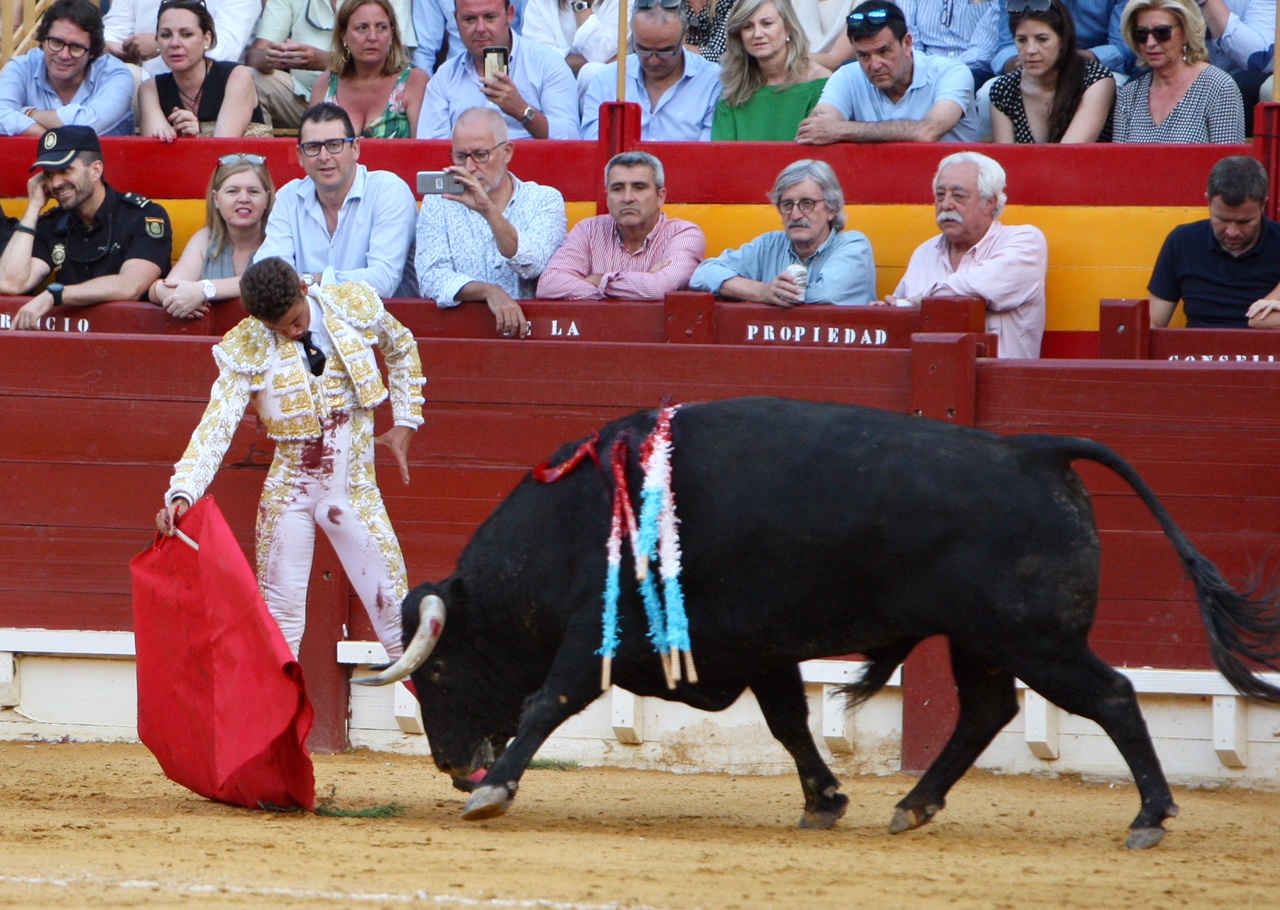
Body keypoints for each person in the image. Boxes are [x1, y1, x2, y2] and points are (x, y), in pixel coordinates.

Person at [155, 256, 426, 662]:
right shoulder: (248, 343)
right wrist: (183, 492)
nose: (293, 331)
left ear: (304, 289)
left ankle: (440, 725)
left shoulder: (348, 304)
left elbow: (401, 346)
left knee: (395, 616)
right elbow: (217, 425)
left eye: (295, 319)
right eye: (277, 328)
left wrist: (406, 419)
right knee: (278, 626)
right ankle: (278, 727)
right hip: (288, 489)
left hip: (352, 485)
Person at [0, 126, 173, 331]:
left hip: (136, 342)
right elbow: (10, 284)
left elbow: (130, 286)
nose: (55, 183)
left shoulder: (142, 216)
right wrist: (33, 208)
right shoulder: (51, 223)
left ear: (96, 170)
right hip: (71, 349)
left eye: (65, 170)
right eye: (48, 174)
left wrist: (56, 295)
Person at [416, 108, 567, 337]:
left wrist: (488, 210)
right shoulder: (439, 202)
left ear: (507, 152)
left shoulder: (544, 199)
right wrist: (487, 291)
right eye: (460, 156)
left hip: (532, 337)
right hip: (459, 336)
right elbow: (430, 278)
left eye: (480, 154)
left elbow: (533, 264)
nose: (468, 167)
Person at [887, 151, 1047, 359]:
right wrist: (889, 311)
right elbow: (902, 316)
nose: (946, 204)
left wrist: (919, 301)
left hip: (1003, 386)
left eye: (959, 196)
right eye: (940, 195)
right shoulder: (924, 252)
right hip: (930, 382)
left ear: (990, 202)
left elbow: (978, 286)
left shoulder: (1025, 241)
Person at [256, 103, 418, 299]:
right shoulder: (289, 197)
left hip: (383, 325)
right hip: (306, 325)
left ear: (355, 148)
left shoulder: (388, 191)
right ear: (300, 156)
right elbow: (268, 274)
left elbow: (383, 281)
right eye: (313, 147)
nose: (324, 157)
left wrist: (307, 280)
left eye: (334, 145)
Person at [690, 159, 875, 306]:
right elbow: (703, 274)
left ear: (832, 209)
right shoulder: (768, 245)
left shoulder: (853, 246)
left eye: (807, 204)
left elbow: (826, 295)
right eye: (787, 205)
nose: (795, 214)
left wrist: (774, 295)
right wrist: (763, 291)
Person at [796, 0, 981, 143]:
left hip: (951, 187)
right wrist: (824, 125)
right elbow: (816, 127)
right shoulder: (847, 76)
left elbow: (928, 131)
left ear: (907, 43)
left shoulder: (951, 72)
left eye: (884, 51)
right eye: (864, 55)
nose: (875, 65)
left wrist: (840, 129)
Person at [536, 151, 706, 300]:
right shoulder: (588, 230)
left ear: (660, 197)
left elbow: (658, 288)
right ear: (607, 196)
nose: (627, 198)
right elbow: (549, 285)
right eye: (617, 189)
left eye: (639, 187)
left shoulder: (684, 234)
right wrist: (642, 282)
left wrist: (599, 281)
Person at [1147, 156, 1280, 329]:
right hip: (1197, 352)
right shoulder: (1182, 241)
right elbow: (1153, 322)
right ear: (1208, 201)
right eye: (1223, 219)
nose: (1233, 232)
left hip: (1267, 352)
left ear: (1263, 205)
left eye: (1245, 221)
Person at [417, 0, 581, 139]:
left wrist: (523, 111)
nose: (480, 28)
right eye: (470, 19)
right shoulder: (444, 78)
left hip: (536, 172)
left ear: (509, 14)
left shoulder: (547, 63)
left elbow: (571, 138)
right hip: (465, 173)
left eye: (490, 17)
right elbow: (431, 149)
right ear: (456, 19)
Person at [246, 0, 416, 131]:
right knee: (246, 78)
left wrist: (325, 61)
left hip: (365, 92)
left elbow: (397, 55)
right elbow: (256, 52)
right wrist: (269, 58)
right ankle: (259, 163)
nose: (372, 35)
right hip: (299, 94)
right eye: (362, 28)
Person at [150, 154, 275, 319]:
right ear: (216, 199)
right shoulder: (205, 240)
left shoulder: (280, 239)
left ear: (267, 198)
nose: (244, 199)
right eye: (232, 191)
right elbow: (171, 289)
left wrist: (205, 289)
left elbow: (272, 282)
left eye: (253, 191)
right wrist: (159, 290)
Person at [581, 0, 723, 140]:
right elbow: (595, 151)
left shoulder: (712, 83)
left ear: (685, 36)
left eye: (665, 51)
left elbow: (708, 156)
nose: (653, 60)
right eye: (643, 49)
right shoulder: (607, 81)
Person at [1112, 0, 1244, 142]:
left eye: (1162, 32)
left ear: (1186, 32)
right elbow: (1119, 162)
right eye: (1141, 34)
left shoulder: (1219, 86)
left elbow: (1228, 160)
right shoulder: (1129, 94)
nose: (1150, 43)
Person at [0, 0, 135, 137]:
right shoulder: (22, 67)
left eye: (76, 47)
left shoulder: (116, 75)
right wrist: (48, 139)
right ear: (43, 40)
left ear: (93, 51)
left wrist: (29, 113)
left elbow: (85, 126)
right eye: (56, 42)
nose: (64, 55)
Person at [137, 0, 267, 142]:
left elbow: (223, 148)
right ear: (157, 42)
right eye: (165, 35)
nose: (175, 43)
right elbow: (154, 153)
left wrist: (195, 137)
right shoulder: (150, 89)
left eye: (186, 34)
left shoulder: (236, 76)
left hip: (242, 163)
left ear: (207, 39)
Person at [990, 0, 1115, 143]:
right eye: (1022, 40)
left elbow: (1068, 154)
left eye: (1042, 39)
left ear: (1062, 41)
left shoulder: (1096, 79)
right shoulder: (1004, 89)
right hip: (1021, 166)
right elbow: (1005, 159)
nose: (1031, 50)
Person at [711, 0, 831, 140]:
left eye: (766, 23)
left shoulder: (818, 82)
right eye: (748, 27)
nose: (757, 34)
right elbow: (723, 154)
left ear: (788, 28)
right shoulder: (733, 87)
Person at [309, 0, 428, 138]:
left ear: (392, 35)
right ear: (343, 35)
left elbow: (424, 151)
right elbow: (311, 147)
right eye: (362, 28)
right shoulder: (325, 85)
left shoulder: (415, 81)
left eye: (381, 27)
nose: (372, 37)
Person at [102, 0, 260, 76]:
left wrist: (160, 45)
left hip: (210, 85)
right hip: (146, 81)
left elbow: (224, 51)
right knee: (118, 72)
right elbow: (112, 31)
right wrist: (115, 48)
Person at [992, 0, 1134, 78]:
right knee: (989, 92)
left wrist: (1081, 57)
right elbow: (1006, 45)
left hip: (1092, 68)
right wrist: (1013, 62)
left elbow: (1125, 47)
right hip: (1031, 65)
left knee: (1115, 85)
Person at [896, 0, 1001, 90]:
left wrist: (946, 73)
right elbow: (908, 38)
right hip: (924, 71)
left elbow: (985, 48)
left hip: (974, 70)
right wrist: (923, 71)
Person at [520, 0, 621, 84]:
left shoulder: (624, 3)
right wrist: (604, 62)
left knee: (591, 73)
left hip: (605, 93)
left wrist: (580, 4)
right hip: (552, 87)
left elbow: (598, 52)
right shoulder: (540, 2)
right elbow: (537, 58)